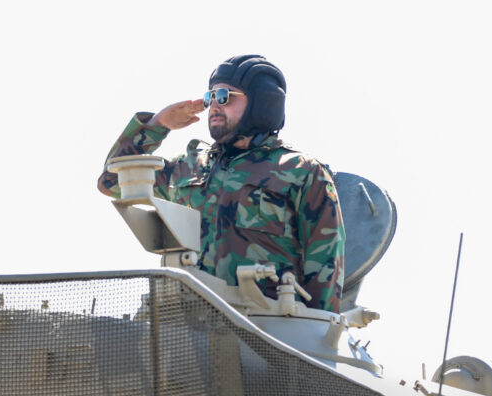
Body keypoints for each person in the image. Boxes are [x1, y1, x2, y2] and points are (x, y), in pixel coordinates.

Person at [97, 55, 346, 312]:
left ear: (262, 102)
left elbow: (325, 263)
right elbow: (111, 180)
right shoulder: (188, 167)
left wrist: (314, 327)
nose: (214, 105)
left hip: (266, 324)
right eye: (210, 97)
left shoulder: (301, 172)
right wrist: (156, 124)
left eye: (225, 96)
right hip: (188, 326)